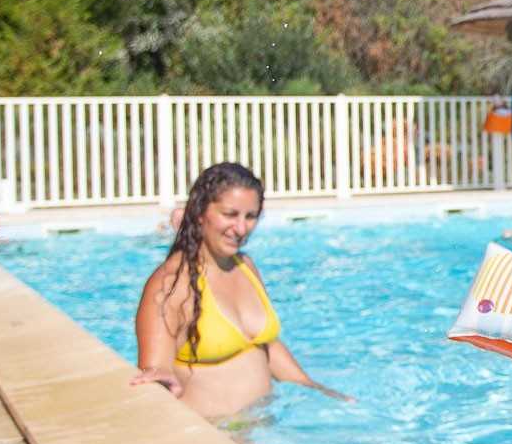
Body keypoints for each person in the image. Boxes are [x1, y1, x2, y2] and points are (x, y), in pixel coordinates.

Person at [130, 162, 352, 419]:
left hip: (264, 429)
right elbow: (156, 371)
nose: (241, 228)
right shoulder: (170, 284)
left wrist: (315, 390)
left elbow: (265, 346)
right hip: (218, 438)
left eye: (250, 216)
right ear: (200, 212)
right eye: (230, 214)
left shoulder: (244, 265)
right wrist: (158, 376)